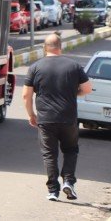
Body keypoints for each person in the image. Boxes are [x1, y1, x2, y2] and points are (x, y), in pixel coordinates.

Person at [23, 33, 92, 201]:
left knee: (49, 154)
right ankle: (68, 181)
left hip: (46, 119)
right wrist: (72, 93)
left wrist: (31, 115)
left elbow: (26, 95)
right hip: (68, 118)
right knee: (70, 150)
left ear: (45, 47)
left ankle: (53, 190)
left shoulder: (35, 67)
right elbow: (87, 89)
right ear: (60, 46)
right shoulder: (74, 66)